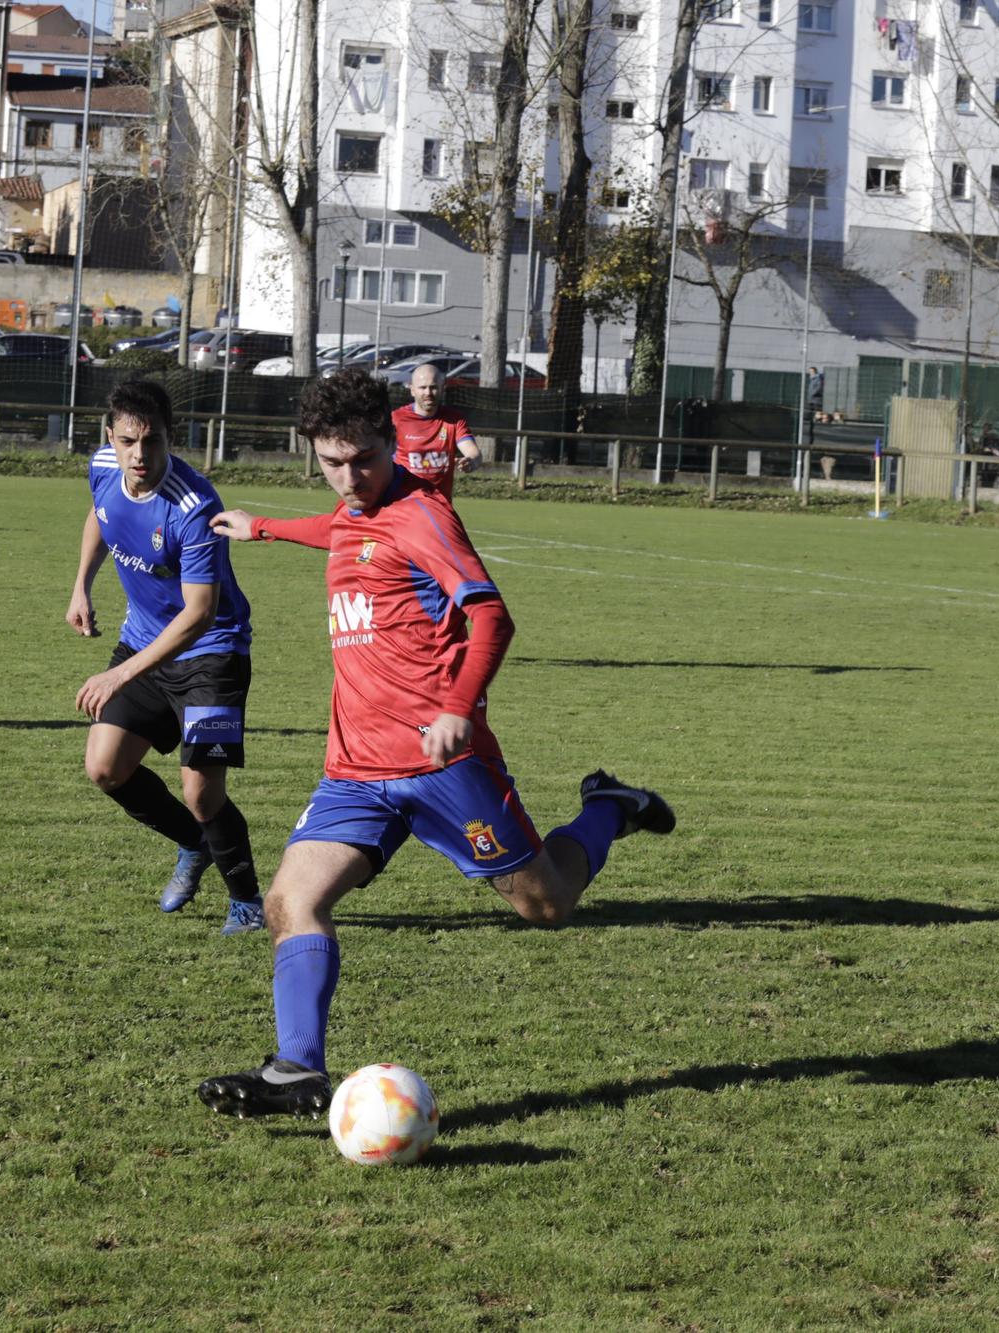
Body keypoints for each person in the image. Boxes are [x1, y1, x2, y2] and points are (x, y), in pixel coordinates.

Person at [195, 369, 676, 1117]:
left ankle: (610, 806)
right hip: (355, 766)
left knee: (547, 906)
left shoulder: (424, 515)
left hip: (441, 761)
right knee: (293, 900)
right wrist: (263, 527)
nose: (349, 477)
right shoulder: (354, 509)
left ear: (392, 442)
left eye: (363, 460)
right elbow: (342, 529)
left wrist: (457, 706)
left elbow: (492, 616)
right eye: (331, 462)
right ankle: (297, 1067)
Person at [67, 379, 265, 936]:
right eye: (128, 441)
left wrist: (120, 674)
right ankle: (192, 843)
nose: (139, 455)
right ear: (111, 436)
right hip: (142, 643)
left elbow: (199, 613)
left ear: (169, 441)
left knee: (202, 792)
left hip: (211, 654)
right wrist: (81, 585)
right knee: (105, 768)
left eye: (150, 443)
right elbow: (99, 517)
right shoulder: (105, 467)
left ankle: (248, 903)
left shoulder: (194, 506)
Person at [390, 363, 481, 497]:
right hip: (406, 504)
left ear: (442, 388)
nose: (428, 393)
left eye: (433, 387)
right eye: (423, 387)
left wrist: (471, 461)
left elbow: (474, 453)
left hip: (441, 505)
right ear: (412, 390)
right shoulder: (396, 419)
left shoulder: (454, 420)